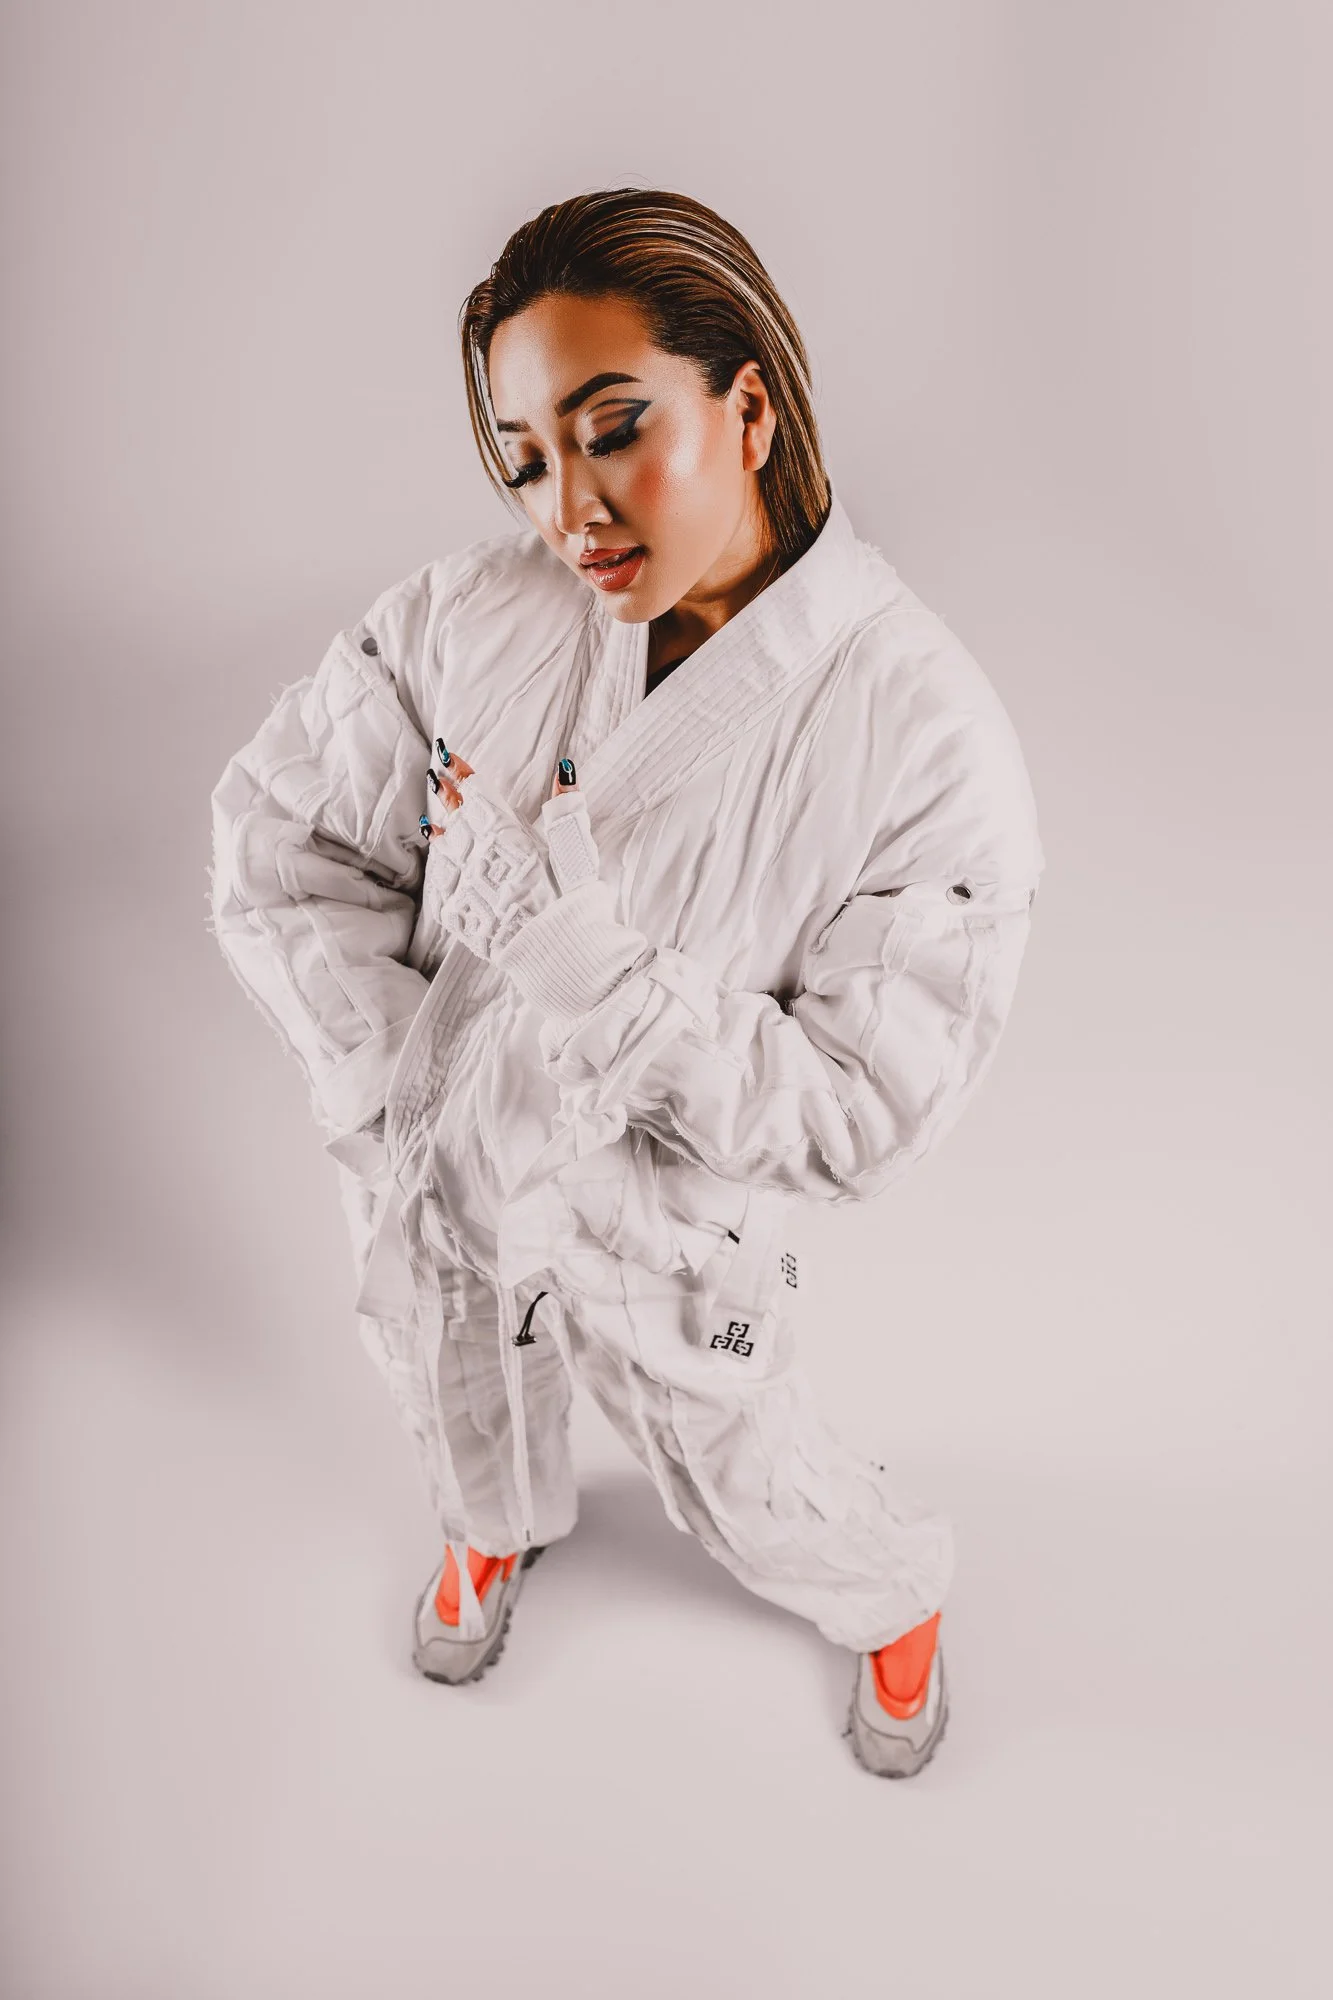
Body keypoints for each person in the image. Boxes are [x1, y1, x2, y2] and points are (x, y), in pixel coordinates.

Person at [208, 186, 1045, 1779]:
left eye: (613, 428)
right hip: (446, 1169)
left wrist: (578, 964)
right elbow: (283, 839)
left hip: (671, 1221)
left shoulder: (928, 735)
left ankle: (891, 1599)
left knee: (742, 1454)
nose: (568, 509)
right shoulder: (472, 620)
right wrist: (398, 1088)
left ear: (750, 404)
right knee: (451, 1367)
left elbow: (861, 1108)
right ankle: (491, 1524)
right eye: (526, 457)